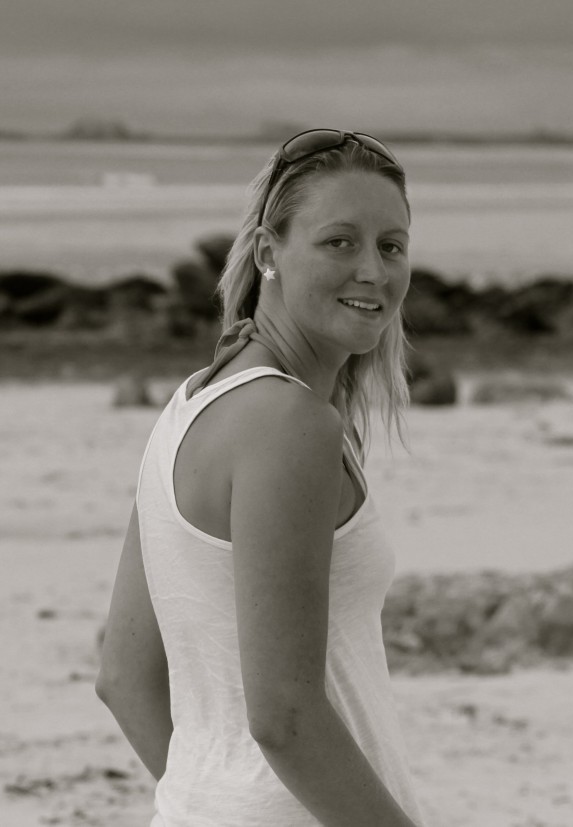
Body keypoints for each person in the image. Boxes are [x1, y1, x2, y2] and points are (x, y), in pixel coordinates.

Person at [96, 128, 428, 827]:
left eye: (391, 246)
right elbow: (284, 717)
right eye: (339, 242)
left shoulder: (194, 400)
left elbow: (124, 677)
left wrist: (208, 800)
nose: (373, 270)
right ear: (267, 252)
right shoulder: (289, 424)